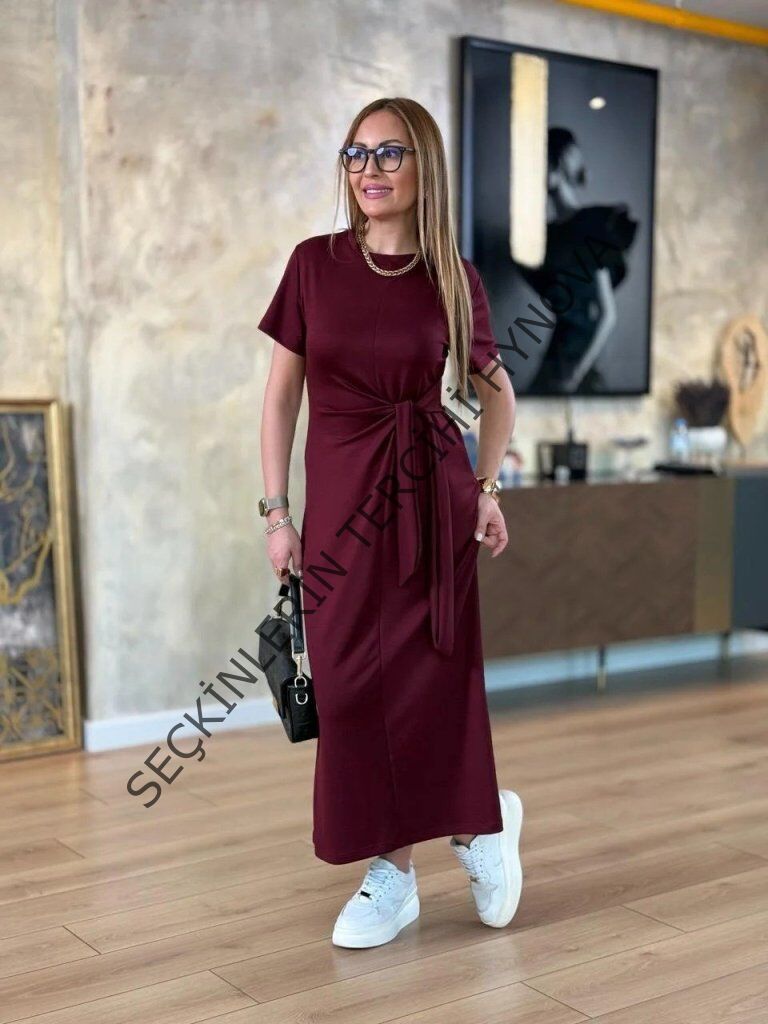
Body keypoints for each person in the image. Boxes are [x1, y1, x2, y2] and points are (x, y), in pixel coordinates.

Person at [258, 96, 523, 949]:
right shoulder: (313, 265)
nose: (368, 170)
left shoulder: (454, 277)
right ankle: (431, 850)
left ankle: (447, 845)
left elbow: (496, 393)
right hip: (340, 513)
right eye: (355, 153)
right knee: (348, 689)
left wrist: (486, 488)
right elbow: (281, 397)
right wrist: (276, 511)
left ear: (423, 166)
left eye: (388, 153)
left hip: (430, 503)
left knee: (431, 684)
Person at [517, 126, 638, 395]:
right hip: (556, 352)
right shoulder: (543, 237)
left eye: (542, 163)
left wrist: (576, 374)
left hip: (581, 359)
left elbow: (607, 315)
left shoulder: (592, 225)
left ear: (557, 164)